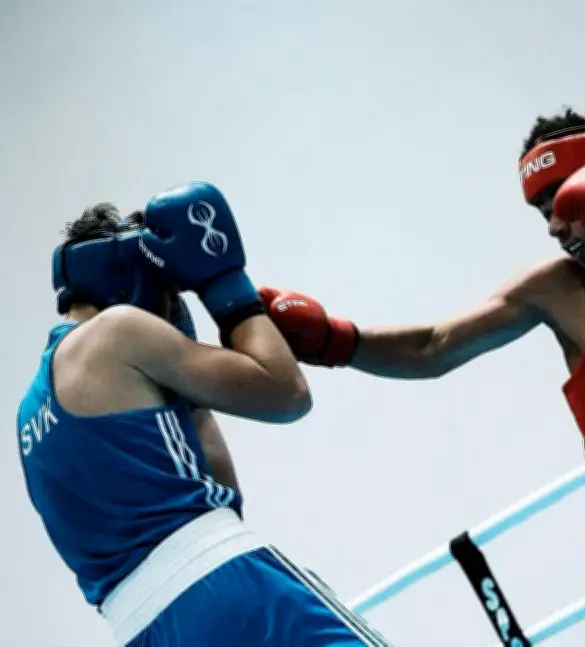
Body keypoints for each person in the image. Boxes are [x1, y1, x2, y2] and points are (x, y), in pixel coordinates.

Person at [258, 101, 585, 646]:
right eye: (544, 213)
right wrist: (337, 341)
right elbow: (434, 345)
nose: (556, 227)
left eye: (566, 201)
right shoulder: (558, 289)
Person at [17, 185, 391, 646]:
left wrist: (186, 394)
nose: (174, 305)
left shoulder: (30, 414)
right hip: (230, 585)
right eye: (170, 291)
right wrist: (227, 287)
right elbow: (286, 393)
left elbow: (220, 491)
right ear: (131, 273)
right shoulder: (118, 329)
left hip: (144, 631)